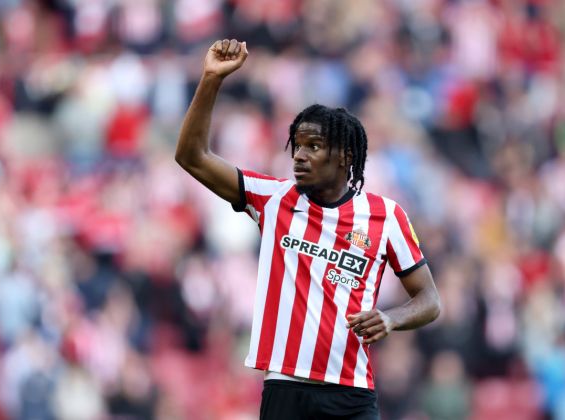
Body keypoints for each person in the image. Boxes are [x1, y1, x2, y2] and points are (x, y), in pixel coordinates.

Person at [175, 39, 441, 420]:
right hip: (286, 390)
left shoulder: (386, 216)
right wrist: (211, 79)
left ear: (345, 156)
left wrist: (390, 318)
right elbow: (192, 156)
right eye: (297, 146)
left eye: (313, 146)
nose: (299, 155)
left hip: (352, 393)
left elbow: (430, 300)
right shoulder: (272, 198)